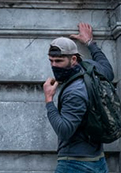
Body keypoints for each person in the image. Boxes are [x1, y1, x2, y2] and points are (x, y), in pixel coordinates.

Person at [44, 23, 114, 173]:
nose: (54, 66)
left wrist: (49, 99)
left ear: (73, 59)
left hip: (74, 163)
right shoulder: (90, 69)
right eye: (51, 61)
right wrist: (89, 43)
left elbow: (64, 131)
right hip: (98, 159)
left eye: (59, 61)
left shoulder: (74, 92)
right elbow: (108, 71)